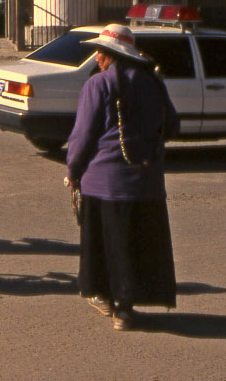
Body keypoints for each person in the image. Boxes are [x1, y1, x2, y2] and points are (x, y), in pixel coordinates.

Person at [66, 24, 179, 332]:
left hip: (104, 182)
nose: (97, 57)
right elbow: (172, 127)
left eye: (100, 52)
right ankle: (125, 309)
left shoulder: (98, 85)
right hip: (146, 182)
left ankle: (109, 300)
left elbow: (83, 136)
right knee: (135, 244)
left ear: (110, 54)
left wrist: (73, 171)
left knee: (107, 244)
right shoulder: (154, 83)